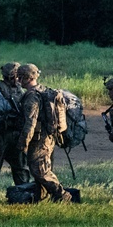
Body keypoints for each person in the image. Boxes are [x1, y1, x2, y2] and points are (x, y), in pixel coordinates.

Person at [16, 63, 73, 203]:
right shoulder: (43, 90)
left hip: (39, 139)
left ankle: (62, 195)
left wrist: (23, 142)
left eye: (20, 77)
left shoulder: (31, 96)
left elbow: (30, 122)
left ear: (26, 78)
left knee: (39, 170)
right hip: (49, 136)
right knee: (42, 168)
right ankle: (40, 198)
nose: (18, 80)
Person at [0, 62, 32, 205]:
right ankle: (22, 199)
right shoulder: (19, 90)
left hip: (3, 135)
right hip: (8, 135)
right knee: (18, 169)